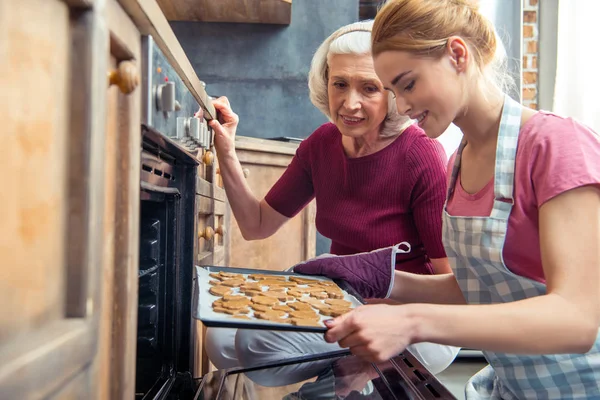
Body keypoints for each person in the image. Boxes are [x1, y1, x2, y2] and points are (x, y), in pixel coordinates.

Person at [295, 0, 600, 398]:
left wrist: (412, 321)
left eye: (408, 84)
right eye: (391, 91)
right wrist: (380, 277)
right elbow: (481, 289)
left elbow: (577, 319)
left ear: (457, 54)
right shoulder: (460, 161)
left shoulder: (556, 145)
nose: (400, 106)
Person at [203, 20, 460, 378]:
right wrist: (226, 149)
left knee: (254, 346)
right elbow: (256, 225)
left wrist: (378, 301)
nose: (349, 103)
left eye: (369, 88)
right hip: (342, 298)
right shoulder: (322, 143)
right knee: (219, 340)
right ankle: (341, 371)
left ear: (393, 92)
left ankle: (355, 375)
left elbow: (453, 284)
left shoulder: (422, 155)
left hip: (416, 316)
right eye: (340, 84)